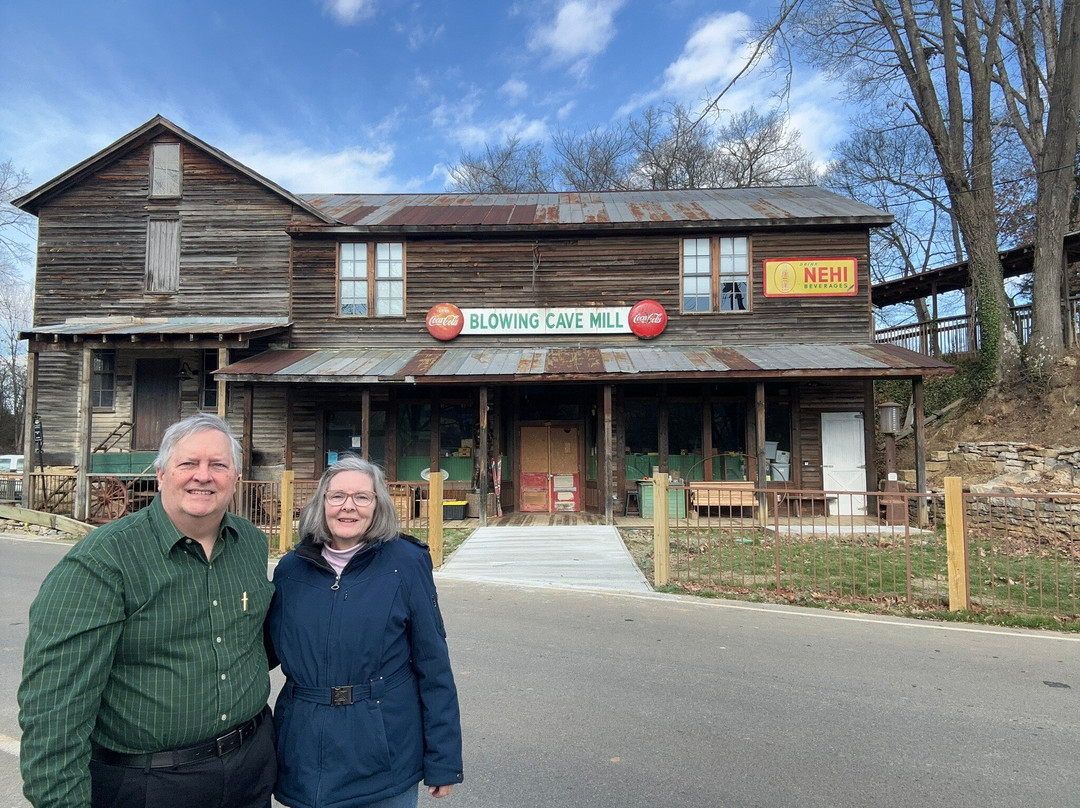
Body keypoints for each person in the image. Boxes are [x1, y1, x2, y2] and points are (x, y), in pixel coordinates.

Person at [18, 413, 276, 808]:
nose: (202, 476)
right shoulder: (103, 561)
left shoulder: (251, 545)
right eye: (188, 463)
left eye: (218, 465)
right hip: (150, 783)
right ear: (160, 474)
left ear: (236, 479)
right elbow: (55, 710)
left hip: (251, 768)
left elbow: (256, 643)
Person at [268, 455, 463, 808]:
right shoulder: (291, 570)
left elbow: (433, 665)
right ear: (321, 503)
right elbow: (262, 652)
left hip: (383, 753)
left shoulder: (406, 563)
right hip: (305, 751)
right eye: (337, 496)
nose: (348, 507)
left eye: (362, 497)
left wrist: (443, 759)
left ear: (378, 505)